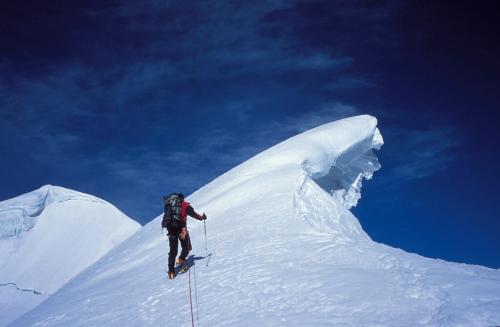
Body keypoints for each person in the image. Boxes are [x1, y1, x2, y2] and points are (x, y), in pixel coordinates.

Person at [162, 193, 206, 279]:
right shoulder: (185, 205)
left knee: (173, 251)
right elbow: (194, 214)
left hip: (171, 230)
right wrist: (202, 217)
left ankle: (171, 271)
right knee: (187, 246)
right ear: (182, 198)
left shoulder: (170, 207)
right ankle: (181, 260)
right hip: (182, 228)